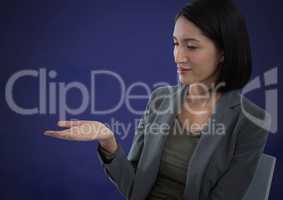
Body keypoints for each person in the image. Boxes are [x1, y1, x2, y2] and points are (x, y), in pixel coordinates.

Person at [44, 0, 270, 199]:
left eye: (191, 46)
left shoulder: (252, 121)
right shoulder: (160, 99)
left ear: (223, 52)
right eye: (175, 43)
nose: (178, 56)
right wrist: (108, 140)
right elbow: (134, 188)